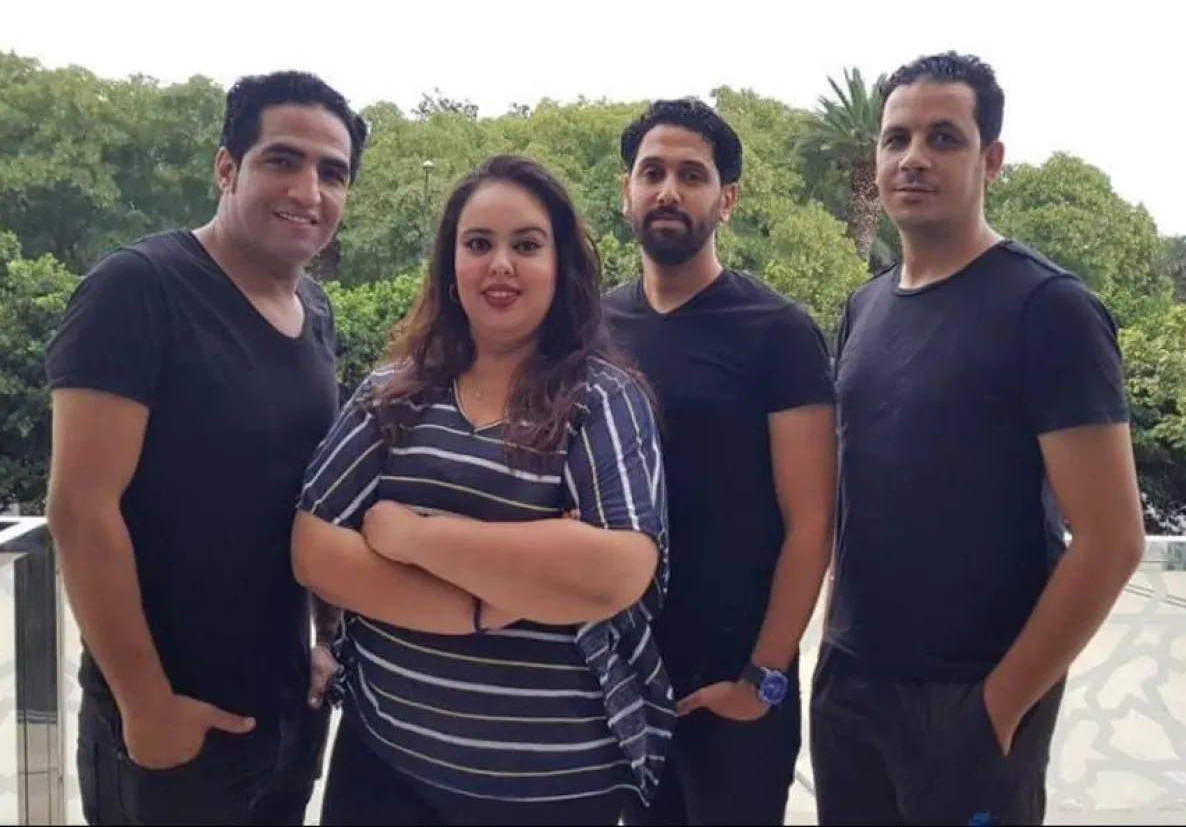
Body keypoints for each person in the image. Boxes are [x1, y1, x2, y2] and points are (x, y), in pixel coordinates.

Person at [811, 51, 1147, 826]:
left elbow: (1113, 538)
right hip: (851, 691)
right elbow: (858, 494)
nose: (913, 158)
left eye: (944, 137)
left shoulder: (1049, 310)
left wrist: (999, 706)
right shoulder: (865, 308)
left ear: (990, 159)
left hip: (972, 695)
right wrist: (832, 644)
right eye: (896, 139)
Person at [290, 154, 674, 826]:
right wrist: (482, 603)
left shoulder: (603, 400)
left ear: (560, 265)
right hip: (384, 769)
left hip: (552, 790)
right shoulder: (392, 395)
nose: (500, 264)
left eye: (526, 245)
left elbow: (619, 570)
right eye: (478, 244)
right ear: (450, 265)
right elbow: (315, 550)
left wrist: (415, 536)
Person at [44, 70, 369, 825]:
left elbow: (311, 492)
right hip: (172, 730)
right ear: (227, 167)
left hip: (286, 712)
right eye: (282, 160)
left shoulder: (314, 308)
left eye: (332, 173)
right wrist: (146, 704)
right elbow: (81, 512)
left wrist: (329, 639)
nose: (309, 190)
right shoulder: (139, 289)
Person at [606, 99, 838, 825]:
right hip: (613, 685)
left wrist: (761, 678)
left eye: (691, 175)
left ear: (726, 200)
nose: (668, 191)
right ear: (626, 192)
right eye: (652, 173)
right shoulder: (592, 326)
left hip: (732, 694)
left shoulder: (778, 332)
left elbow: (812, 523)